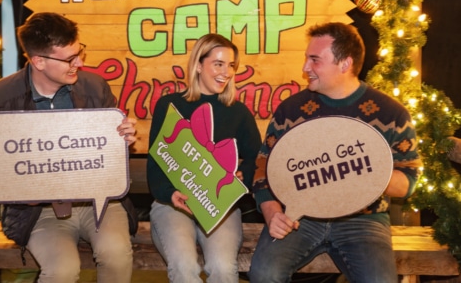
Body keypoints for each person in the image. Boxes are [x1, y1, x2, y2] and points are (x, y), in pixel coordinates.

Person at [0, 12, 137, 283]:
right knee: (62, 270)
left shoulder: (95, 87)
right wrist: (20, 193)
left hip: (99, 203)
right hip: (39, 211)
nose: (79, 62)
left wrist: (121, 141)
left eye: (78, 52)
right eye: (69, 59)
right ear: (39, 61)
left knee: (116, 254)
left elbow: (111, 160)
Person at [249, 22, 422, 283]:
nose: (305, 68)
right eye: (307, 58)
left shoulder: (392, 114)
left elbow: (408, 181)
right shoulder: (291, 111)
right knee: (264, 274)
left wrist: (357, 169)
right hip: (300, 217)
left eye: (315, 60)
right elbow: (263, 167)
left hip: (363, 221)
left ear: (345, 64)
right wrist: (272, 211)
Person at [146, 33, 261, 283]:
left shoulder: (239, 112)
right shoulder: (169, 106)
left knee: (222, 266)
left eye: (231, 66)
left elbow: (257, 159)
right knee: (184, 265)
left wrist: (245, 176)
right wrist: (168, 194)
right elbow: (156, 163)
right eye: (218, 64)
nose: (226, 72)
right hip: (174, 204)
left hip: (219, 205)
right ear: (198, 65)